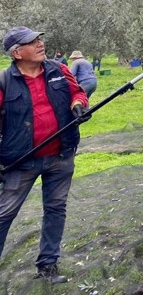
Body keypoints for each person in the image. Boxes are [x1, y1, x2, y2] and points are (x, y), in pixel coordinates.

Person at [0, 27, 90, 284]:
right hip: (20, 162)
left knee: (55, 209)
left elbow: (77, 92)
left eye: (39, 39)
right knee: (3, 215)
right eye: (32, 42)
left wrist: (78, 105)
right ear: (17, 53)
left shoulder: (59, 70)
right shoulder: (4, 82)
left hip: (61, 155)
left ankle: (48, 265)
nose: (40, 44)